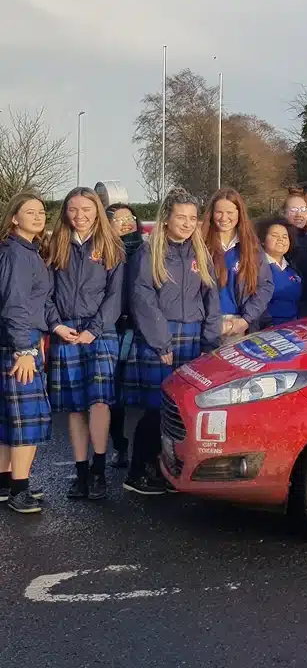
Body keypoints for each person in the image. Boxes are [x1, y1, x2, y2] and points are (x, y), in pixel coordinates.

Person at [123, 188, 220, 496]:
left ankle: (168, 470)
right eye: (181, 217)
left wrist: (210, 342)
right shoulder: (149, 252)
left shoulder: (200, 252)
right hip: (160, 338)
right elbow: (143, 299)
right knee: (156, 408)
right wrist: (161, 343)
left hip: (192, 336)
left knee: (180, 411)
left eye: (192, 218)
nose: (187, 223)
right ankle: (137, 471)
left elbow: (211, 299)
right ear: (166, 219)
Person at [46, 187, 125, 501]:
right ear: (65, 212)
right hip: (66, 331)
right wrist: (56, 325)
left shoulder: (112, 247)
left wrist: (94, 328)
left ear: (97, 211)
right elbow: (45, 294)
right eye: (73, 209)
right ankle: (80, 472)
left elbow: (116, 296)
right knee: (75, 407)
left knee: (99, 402)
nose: (79, 216)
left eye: (86, 209)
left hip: (100, 333)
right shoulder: (56, 246)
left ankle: (99, 470)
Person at [0, 193, 53, 514]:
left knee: (8, 417)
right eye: (29, 212)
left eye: (41, 211)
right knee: (25, 419)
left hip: (20, 339)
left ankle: (6, 483)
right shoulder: (18, 254)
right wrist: (24, 349)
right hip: (20, 342)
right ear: (14, 218)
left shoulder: (24, 250)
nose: (38, 216)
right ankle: (20, 489)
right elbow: (14, 306)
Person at [202, 188, 273, 343]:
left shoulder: (251, 247)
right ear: (211, 214)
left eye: (230, 212)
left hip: (239, 325)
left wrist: (246, 320)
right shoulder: (201, 245)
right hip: (206, 325)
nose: (224, 217)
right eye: (219, 212)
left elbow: (265, 286)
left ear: (239, 213)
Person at [106, 204, 145, 468]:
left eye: (129, 217)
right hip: (117, 329)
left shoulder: (147, 249)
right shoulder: (106, 252)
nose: (125, 223)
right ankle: (120, 446)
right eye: (117, 219)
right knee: (115, 393)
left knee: (149, 394)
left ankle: (149, 451)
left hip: (145, 328)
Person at [258, 218, 306, 325]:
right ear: (262, 240)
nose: (281, 239)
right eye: (275, 235)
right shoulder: (255, 268)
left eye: (285, 237)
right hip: (265, 330)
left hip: (293, 329)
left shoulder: (293, 269)